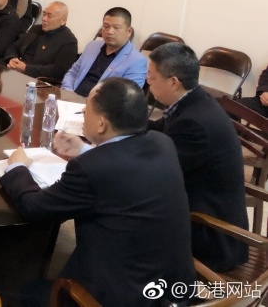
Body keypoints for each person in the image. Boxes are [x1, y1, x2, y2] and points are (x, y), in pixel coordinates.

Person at [55, 43, 250, 272]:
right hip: (191, 204)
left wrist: (91, 151)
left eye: (152, 77)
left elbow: (151, 173)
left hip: (209, 234)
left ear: (173, 82)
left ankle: (93, 275)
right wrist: (114, 120)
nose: (147, 82)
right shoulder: (193, 101)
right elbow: (156, 129)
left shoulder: (195, 123)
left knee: (108, 194)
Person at [1, 78, 196, 305]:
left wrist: (17, 167)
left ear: (101, 123)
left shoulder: (90, 169)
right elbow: (121, 168)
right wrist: (85, 149)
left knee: (20, 291)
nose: (84, 113)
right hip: (173, 290)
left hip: (119, 298)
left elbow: (33, 208)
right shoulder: (163, 143)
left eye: (87, 109)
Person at [61, 7, 147, 96]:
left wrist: (92, 103)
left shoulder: (137, 61)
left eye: (116, 27)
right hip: (72, 97)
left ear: (129, 31)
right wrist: (68, 91)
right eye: (106, 26)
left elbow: (128, 96)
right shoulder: (92, 46)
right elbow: (73, 73)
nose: (110, 32)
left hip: (101, 104)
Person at [2, 1, 78, 80]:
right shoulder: (36, 29)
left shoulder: (69, 41)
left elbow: (59, 70)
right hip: (16, 69)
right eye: (44, 14)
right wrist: (12, 59)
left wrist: (26, 68)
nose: (44, 19)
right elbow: (14, 46)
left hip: (37, 79)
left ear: (63, 21)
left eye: (49, 16)